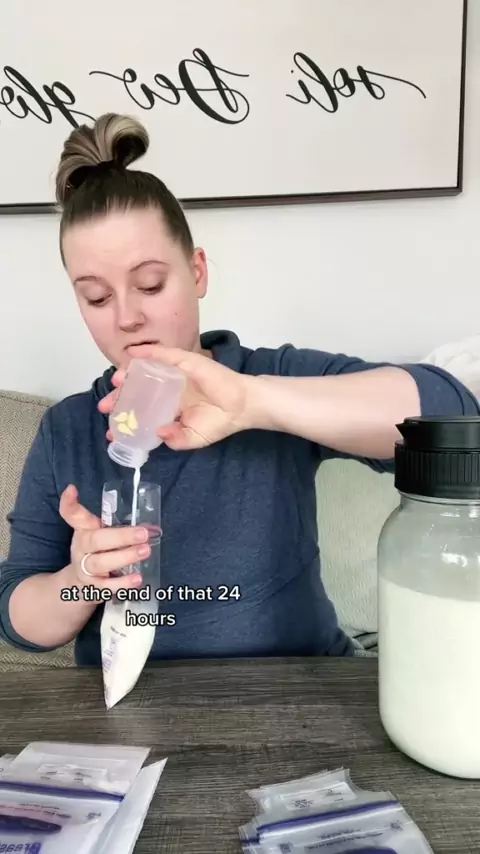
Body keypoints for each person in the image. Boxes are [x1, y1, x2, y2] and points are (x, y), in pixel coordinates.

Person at [0, 113, 478, 667]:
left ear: (198, 272)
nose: (127, 317)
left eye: (150, 284)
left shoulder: (267, 375)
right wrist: (78, 581)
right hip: (135, 700)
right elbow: (17, 618)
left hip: (299, 688)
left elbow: (449, 418)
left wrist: (253, 402)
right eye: (97, 298)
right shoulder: (67, 430)